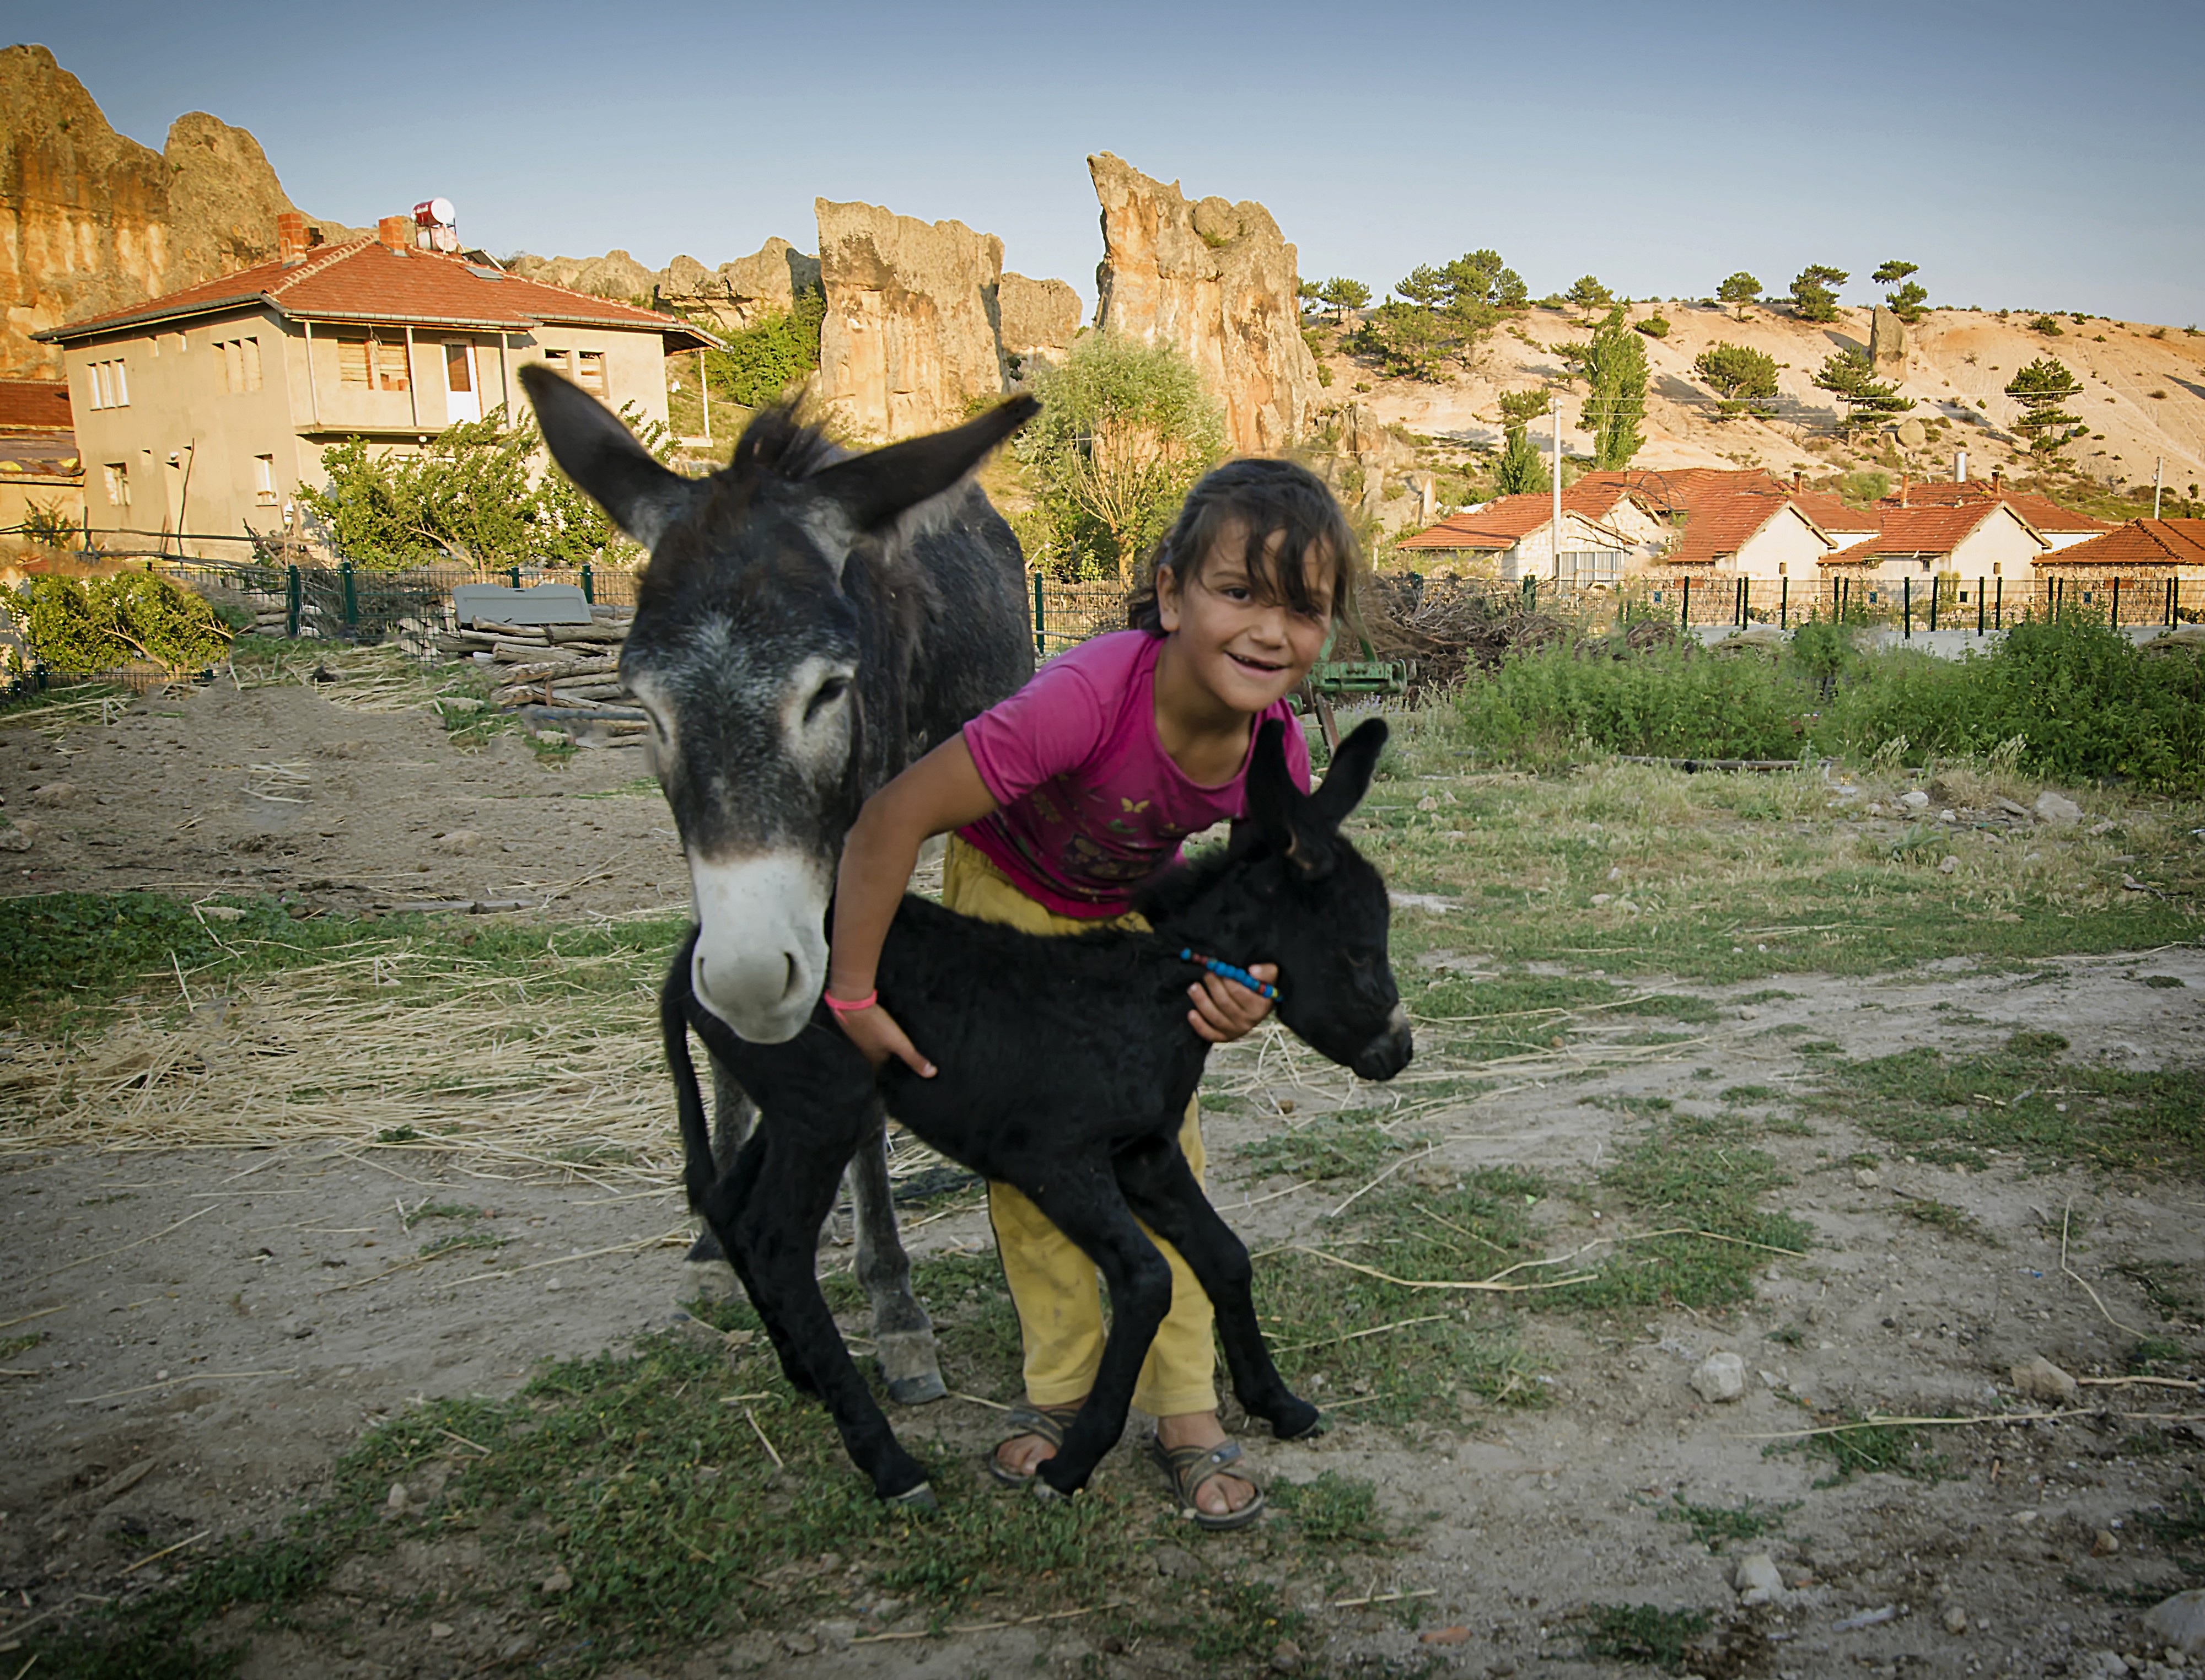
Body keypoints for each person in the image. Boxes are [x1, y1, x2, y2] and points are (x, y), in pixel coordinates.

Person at [824, 457, 1359, 1528]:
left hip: (1120, 912)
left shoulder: (1276, 747)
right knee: (1036, 1169)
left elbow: (1257, 911)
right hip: (1004, 905)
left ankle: (1185, 1410)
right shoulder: (1082, 700)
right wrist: (850, 997)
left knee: (1164, 1158)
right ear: (1169, 596)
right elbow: (886, 819)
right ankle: (1063, 1394)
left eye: (1302, 605)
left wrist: (1245, 989)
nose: (1268, 630)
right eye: (1238, 591)